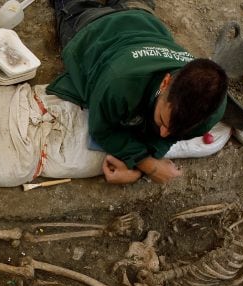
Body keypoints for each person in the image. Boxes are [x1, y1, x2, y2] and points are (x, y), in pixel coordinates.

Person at [46, 0, 227, 184]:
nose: (164, 134)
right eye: (164, 122)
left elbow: (162, 139)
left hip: (143, 18)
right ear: (165, 83)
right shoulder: (119, 84)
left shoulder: (211, 112)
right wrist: (148, 165)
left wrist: (137, 166)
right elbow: (102, 130)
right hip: (94, 27)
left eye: (176, 130)